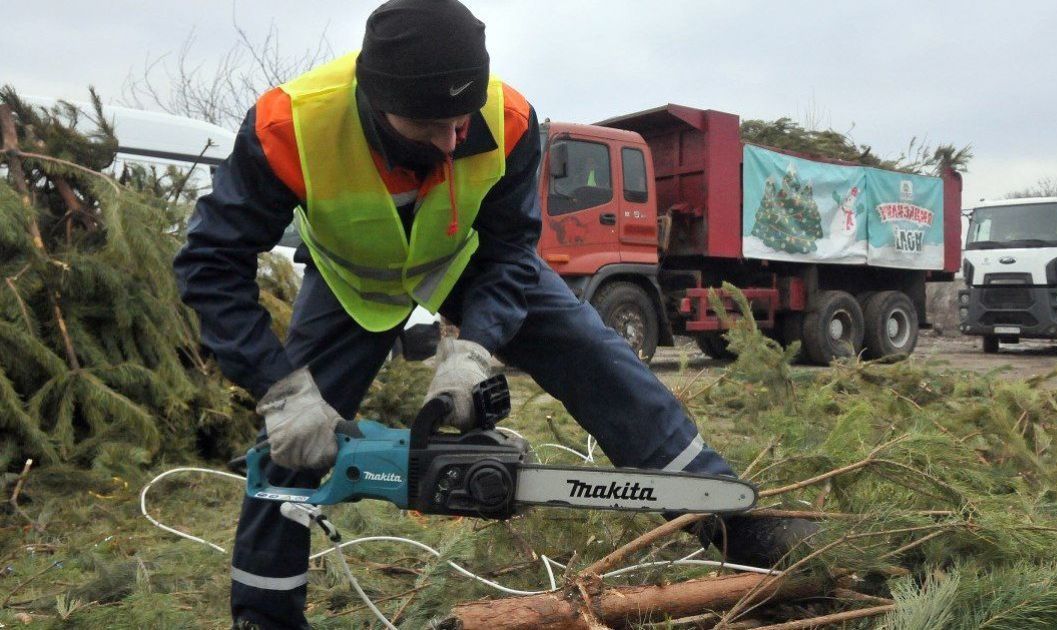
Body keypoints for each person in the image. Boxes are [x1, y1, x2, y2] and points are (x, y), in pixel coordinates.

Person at [173, 0, 816, 627]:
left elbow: (512, 245)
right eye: (432, 128)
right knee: (291, 447)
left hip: (469, 260)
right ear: (379, 102)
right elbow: (210, 262)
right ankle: (265, 613)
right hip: (351, 280)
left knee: (599, 358)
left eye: (460, 122)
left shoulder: (505, 117)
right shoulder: (289, 126)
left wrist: (475, 348)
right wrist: (277, 387)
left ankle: (739, 526)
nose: (454, 141)